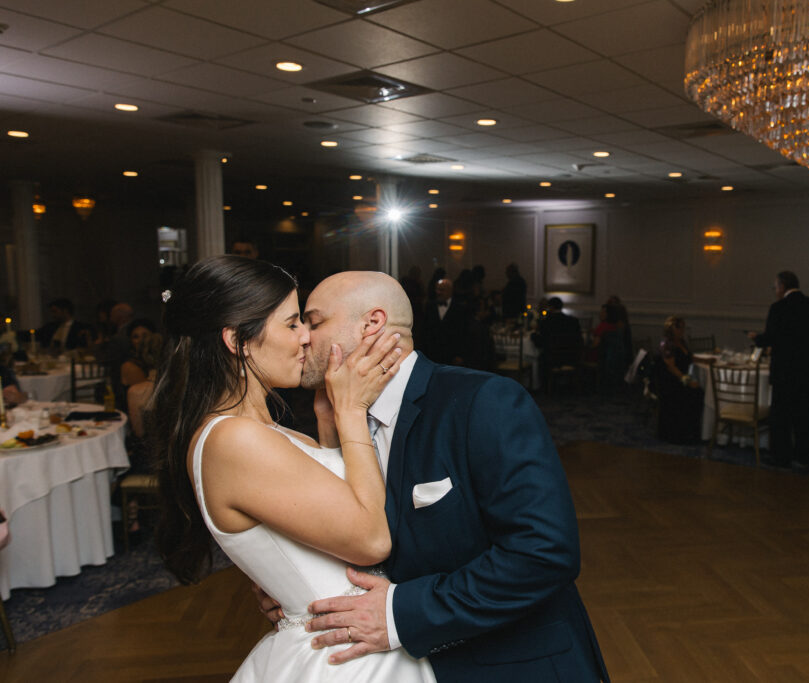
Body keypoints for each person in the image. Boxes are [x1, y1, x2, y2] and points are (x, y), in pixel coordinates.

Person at [259, 271, 609, 682]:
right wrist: (303, 587)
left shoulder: (483, 402)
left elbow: (544, 553)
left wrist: (396, 614)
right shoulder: (333, 420)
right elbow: (360, 540)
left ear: (372, 324)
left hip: (512, 663)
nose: (302, 337)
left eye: (314, 322)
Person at [151, 255, 433, 682]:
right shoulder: (232, 439)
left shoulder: (264, 431)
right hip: (345, 658)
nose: (306, 338)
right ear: (238, 341)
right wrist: (350, 411)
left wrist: (327, 422)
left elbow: (331, 503)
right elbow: (372, 540)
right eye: (291, 324)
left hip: (366, 633)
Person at [750, 271, 809, 469]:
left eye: (775, 287)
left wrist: (757, 338)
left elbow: (771, 337)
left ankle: (781, 457)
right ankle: (803, 456)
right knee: (804, 415)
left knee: (781, 416)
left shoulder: (778, 308)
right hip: (807, 370)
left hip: (785, 370)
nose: (775, 291)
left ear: (782, 286)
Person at [653, 316, 703, 444]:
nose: (682, 331)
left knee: (699, 392)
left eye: (683, 328)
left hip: (678, 379)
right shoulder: (667, 345)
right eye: (679, 328)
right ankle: (682, 432)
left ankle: (690, 430)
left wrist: (708, 361)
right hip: (670, 383)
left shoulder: (681, 342)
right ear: (672, 328)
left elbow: (690, 357)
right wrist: (687, 381)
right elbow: (671, 368)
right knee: (696, 394)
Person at [532, 296, 584, 387]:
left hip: (552, 358)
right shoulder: (573, 321)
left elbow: (541, 343)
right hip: (571, 356)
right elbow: (579, 339)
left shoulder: (546, 322)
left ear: (551, 307)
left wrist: (533, 336)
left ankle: (542, 385)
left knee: (538, 357)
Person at [417, 278, 469, 366]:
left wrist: (460, 355)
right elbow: (424, 331)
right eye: (437, 289)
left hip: (451, 355)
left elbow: (463, 333)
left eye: (441, 290)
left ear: (450, 291)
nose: (438, 292)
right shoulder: (429, 306)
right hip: (432, 354)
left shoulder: (460, 309)